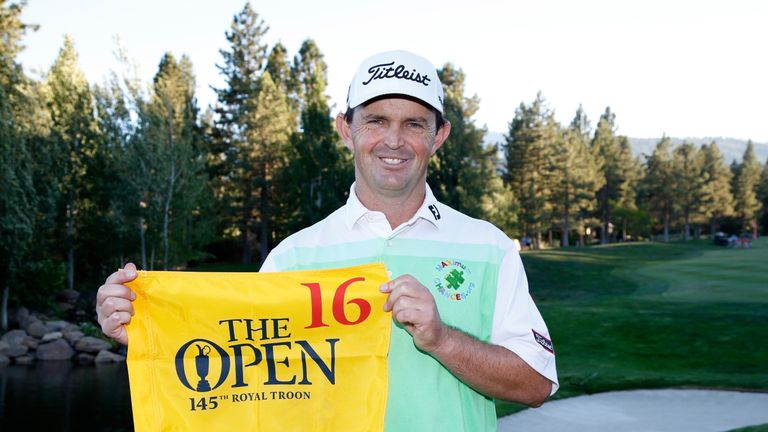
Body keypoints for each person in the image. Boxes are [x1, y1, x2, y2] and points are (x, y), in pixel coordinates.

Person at [96, 50, 558, 431]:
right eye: (376, 120)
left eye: (414, 124)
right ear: (346, 130)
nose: (394, 141)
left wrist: (442, 340)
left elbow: (536, 384)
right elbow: (236, 378)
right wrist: (142, 332)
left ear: (439, 136)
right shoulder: (294, 256)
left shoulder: (489, 248)